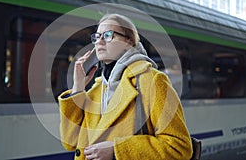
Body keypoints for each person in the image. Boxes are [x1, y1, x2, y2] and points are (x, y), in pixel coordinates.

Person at [58, 13, 193, 160]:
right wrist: (78, 88)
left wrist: (117, 151)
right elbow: (70, 142)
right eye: (97, 36)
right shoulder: (98, 89)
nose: (99, 42)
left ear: (129, 41)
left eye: (108, 35)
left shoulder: (152, 81)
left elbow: (179, 147)